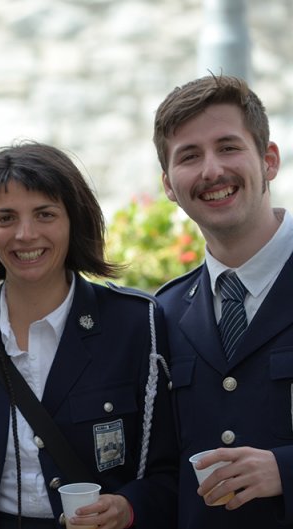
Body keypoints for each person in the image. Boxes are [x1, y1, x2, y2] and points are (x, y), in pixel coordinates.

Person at [0, 142, 178, 529]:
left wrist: (127, 508)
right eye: (6, 218)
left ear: (74, 221)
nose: (25, 234)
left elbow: (170, 472)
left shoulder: (135, 325)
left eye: (45, 214)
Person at [153, 74, 293, 528]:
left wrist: (285, 471)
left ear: (268, 160)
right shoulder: (166, 313)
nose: (211, 170)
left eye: (228, 147)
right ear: (170, 186)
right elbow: (162, 469)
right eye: (189, 156)